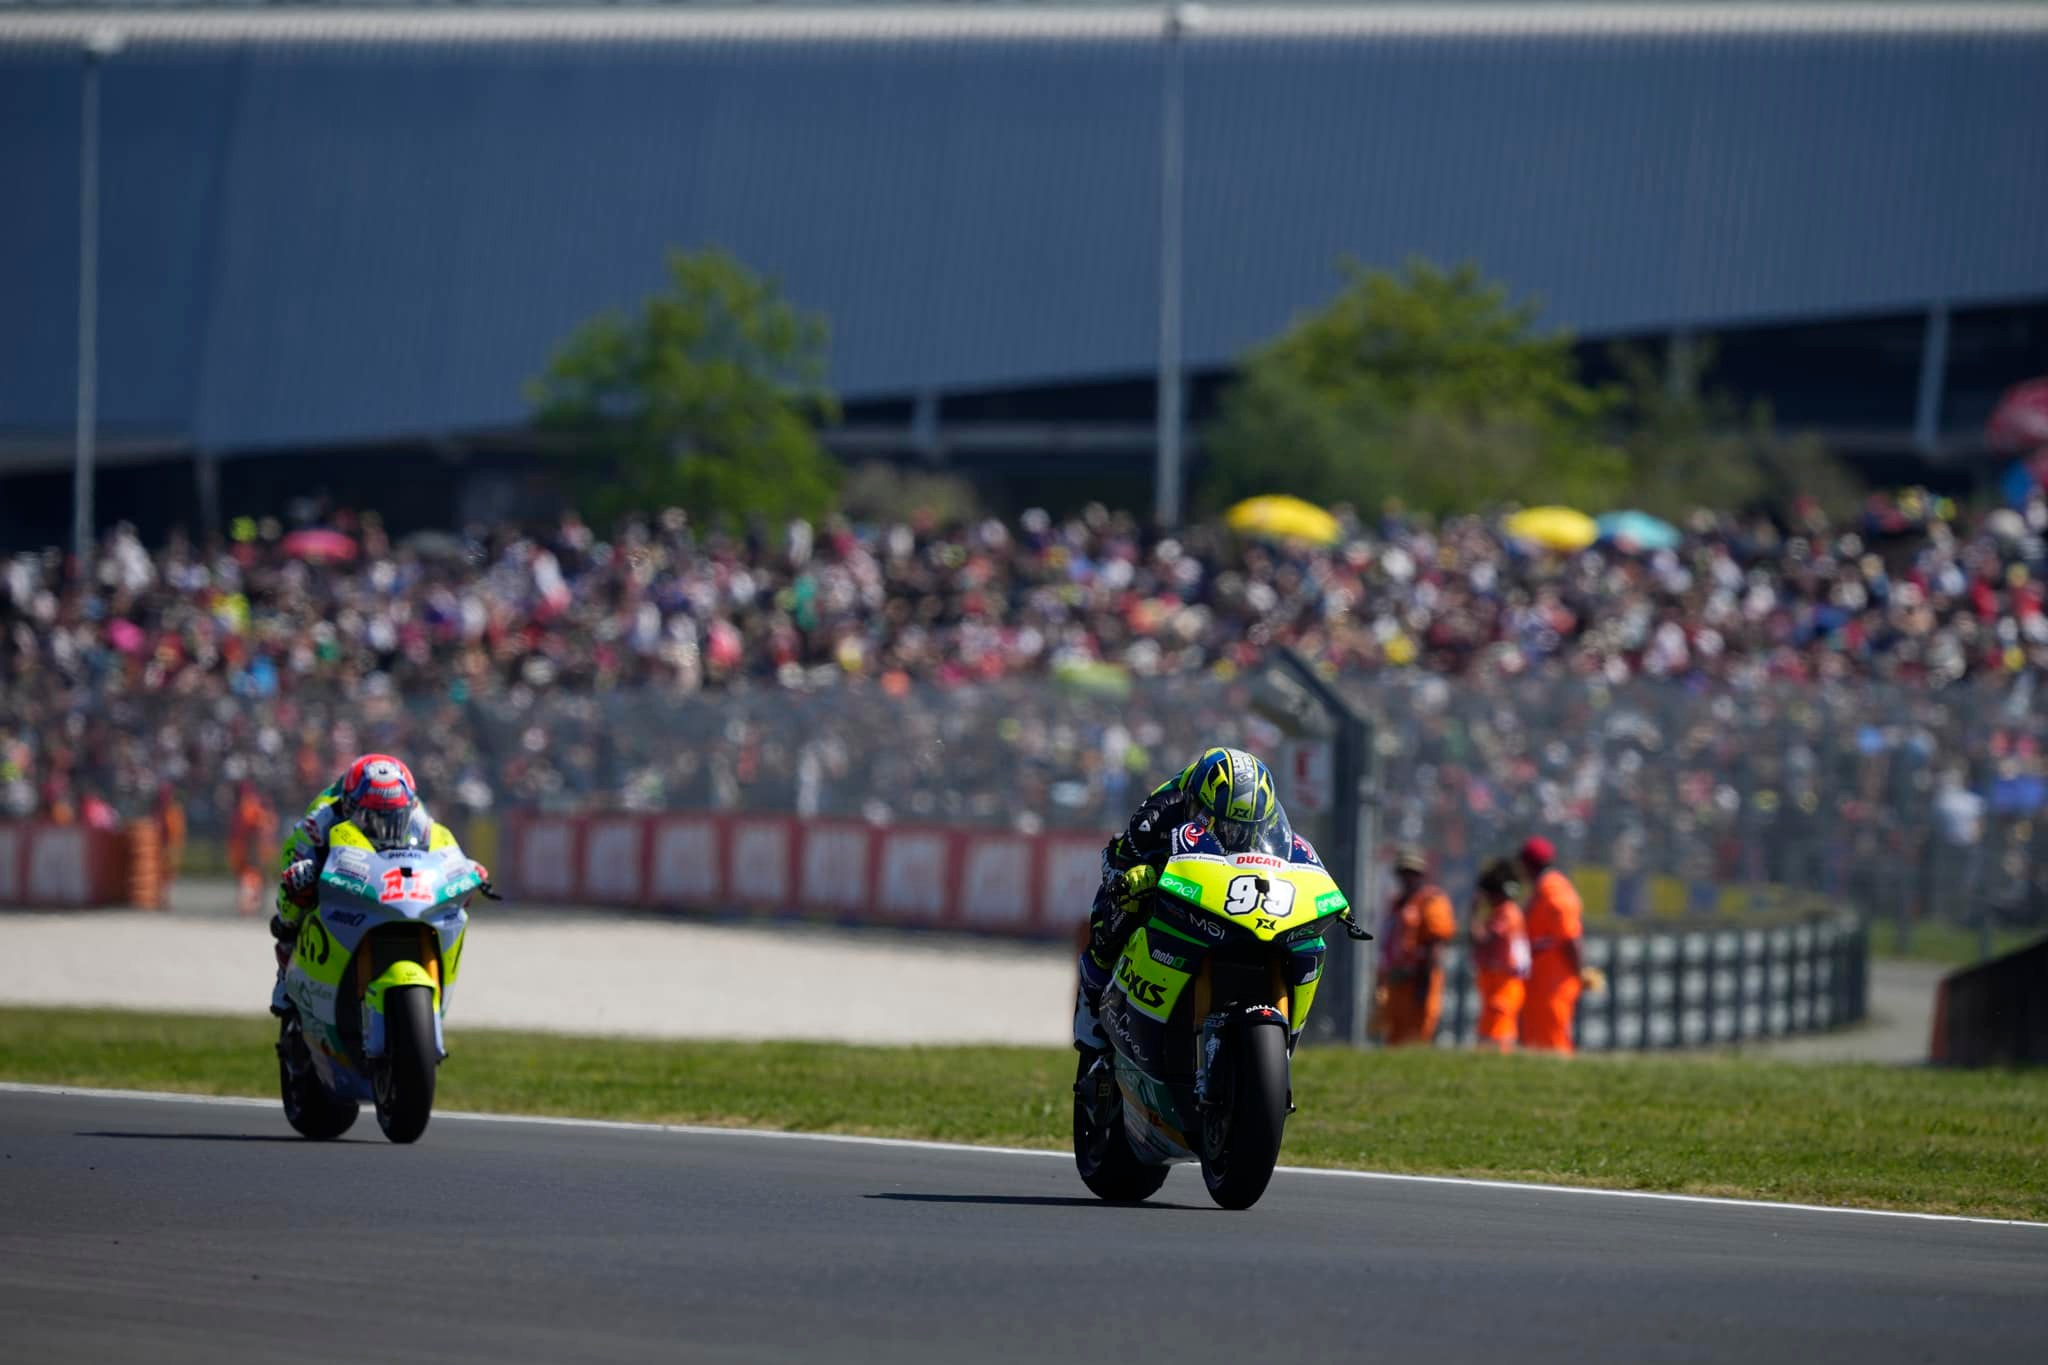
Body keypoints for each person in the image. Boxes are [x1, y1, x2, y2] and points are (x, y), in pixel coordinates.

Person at [1072, 746, 1287, 1050]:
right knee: (1118, 911)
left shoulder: (1270, 820)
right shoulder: (1158, 813)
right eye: (1224, 825)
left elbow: (1288, 858)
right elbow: (1116, 863)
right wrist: (1134, 877)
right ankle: (1090, 1005)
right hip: (1163, 869)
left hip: (1233, 889)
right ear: (1197, 805)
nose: (1233, 835)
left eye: (1243, 829)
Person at [269, 754, 429, 1016]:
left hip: (393, 879)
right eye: (373, 817)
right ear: (349, 808)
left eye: (393, 817)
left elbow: (439, 848)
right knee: (293, 902)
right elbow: (291, 864)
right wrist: (303, 875)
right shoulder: (320, 820)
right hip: (342, 868)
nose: (384, 827)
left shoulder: (417, 814)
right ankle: (286, 975)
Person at [1373, 847, 1456, 1046]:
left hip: (1419, 979)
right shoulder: (1397, 903)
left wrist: (1424, 985)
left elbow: (1434, 944)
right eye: (1403, 873)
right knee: (1394, 1036)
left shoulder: (1431, 901)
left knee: (1418, 1036)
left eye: (1412, 873)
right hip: (1396, 981)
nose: (1407, 878)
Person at [1516, 836, 1587, 1054]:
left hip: (1553, 986)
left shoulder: (1554, 892)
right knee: (1537, 1045)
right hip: (1540, 985)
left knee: (1552, 1045)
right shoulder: (1542, 890)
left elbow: (1570, 940)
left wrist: (1580, 973)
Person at [1468, 856, 1531, 1052]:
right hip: (1499, 983)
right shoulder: (1508, 911)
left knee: (1497, 1038)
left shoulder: (1506, 913)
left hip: (1503, 983)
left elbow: (1484, 940)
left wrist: (1474, 915)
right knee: (1488, 1034)